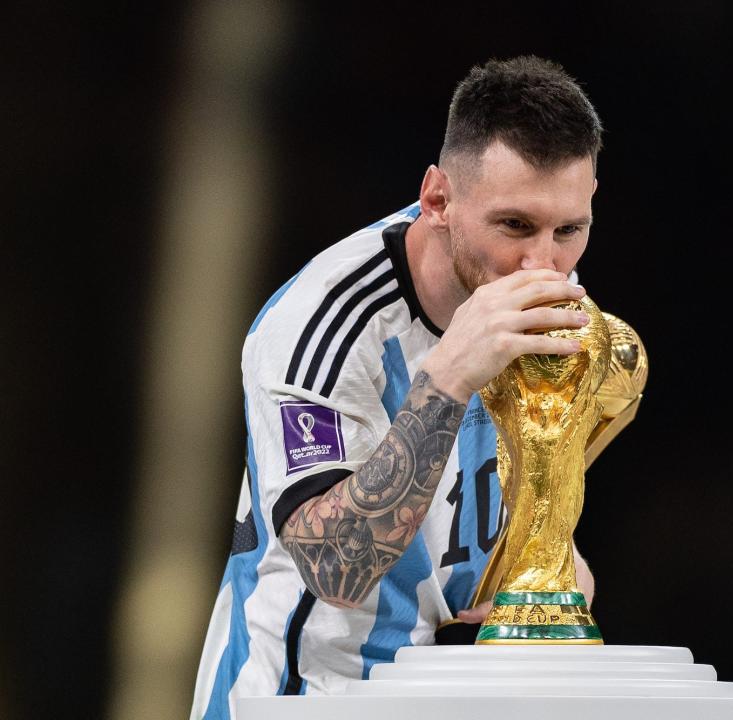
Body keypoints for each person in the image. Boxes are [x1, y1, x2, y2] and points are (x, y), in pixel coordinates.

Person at [191, 55, 604, 718]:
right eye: (515, 226)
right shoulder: (321, 325)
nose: (544, 264)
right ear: (438, 199)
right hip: (300, 697)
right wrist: (447, 378)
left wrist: (552, 565)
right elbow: (336, 571)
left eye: (569, 231)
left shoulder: (547, 296)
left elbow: (522, 484)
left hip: (440, 695)